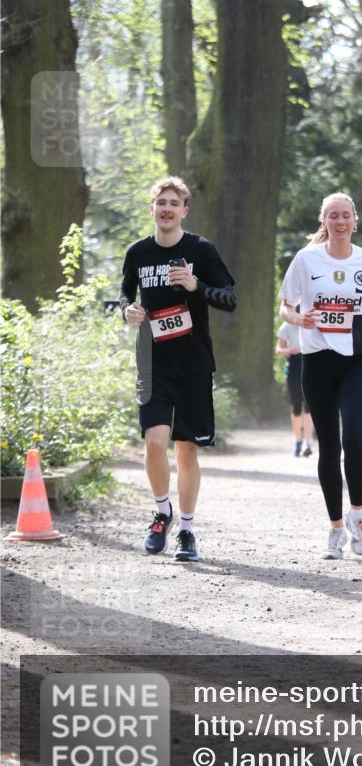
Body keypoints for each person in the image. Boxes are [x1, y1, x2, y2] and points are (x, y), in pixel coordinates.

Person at [119, 176, 236, 562]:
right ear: (151, 209)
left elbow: (229, 299)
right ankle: (161, 512)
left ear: (184, 210)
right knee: (154, 443)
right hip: (152, 364)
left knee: (186, 451)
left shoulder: (200, 250)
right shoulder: (137, 252)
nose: (167, 208)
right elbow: (124, 293)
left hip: (194, 365)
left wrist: (195, 285)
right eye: (161, 202)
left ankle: (186, 528)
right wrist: (127, 310)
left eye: (174, 203)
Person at [279, 192, 362, 559]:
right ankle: (335, 528)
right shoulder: (306, 259)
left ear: (355, 220)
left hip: (356, 359)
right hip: (318, 360)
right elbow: (285, 307)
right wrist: (299, 319)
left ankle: (358, 517)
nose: (340, 222)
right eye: (333, 216)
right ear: (323, 221)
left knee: (354, 435)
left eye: (346, 216)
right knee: (329, 445)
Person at [276, 316, 315, 457]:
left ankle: (307, 442)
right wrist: (289, 350)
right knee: (296, 406)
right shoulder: (286, 326)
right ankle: (298, 441)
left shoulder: (312, 323)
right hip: (293, 367)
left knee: (310, 406)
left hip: (310, 364)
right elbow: (278, 349)